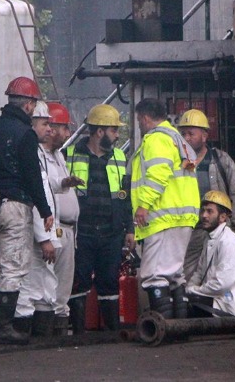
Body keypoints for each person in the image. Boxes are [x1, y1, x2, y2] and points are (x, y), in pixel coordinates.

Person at [0, 76, 54, 345]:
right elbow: (32, 176)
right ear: (28, 105)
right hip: (14, 207)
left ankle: (1, 328)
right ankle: (3, 329)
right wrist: (44, 210)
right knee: (15, 268)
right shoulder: (25, 134)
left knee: (3, 267)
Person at [65, 104, 135, 333]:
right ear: (99, 131)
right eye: (114, 130)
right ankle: (77, 333)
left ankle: (112, 333)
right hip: (81, 232)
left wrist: (129, 229)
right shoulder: (70, 156)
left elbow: (125, 196)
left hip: (110, 232)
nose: (117, 135)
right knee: (79, 281)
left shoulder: (119, 157)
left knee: (109, 282)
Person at [131, 98, 201, 320]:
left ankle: (165, 329)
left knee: (155, 275)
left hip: (163, 217)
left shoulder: (156, 139)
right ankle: (179, 328)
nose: (140, 124)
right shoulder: (178, 140)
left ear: (145, 117)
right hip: (181, 217)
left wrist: (144, 205)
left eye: (139, 119)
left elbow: (158, 174)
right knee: (174, 275)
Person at [177, 108, 235, 281]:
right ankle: (190, 306)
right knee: (186, 277)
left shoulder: (220, 160)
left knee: (219, 276)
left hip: (219, 232)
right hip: (190, 233)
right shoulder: (177, 163)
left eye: (191, 134)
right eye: (183, 134)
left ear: (204, 135)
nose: (186, 138)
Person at [14, 101, 61, 338]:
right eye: (44, 124)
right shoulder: (30, 152)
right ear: (32, 124)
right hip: (38, 236)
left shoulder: (39, 152)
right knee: (32, 285)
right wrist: (44, 239)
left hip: (45, 232)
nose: (49, 130)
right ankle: (27, 338)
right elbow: (34, 196)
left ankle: (40, 337)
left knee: (45, 286)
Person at [44, 102, 82, 335]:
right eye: (64, 127)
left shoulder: (58, 156)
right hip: (52, 228)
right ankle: (50, 329)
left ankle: (59, 324)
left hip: (67, 229)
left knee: (63, 285)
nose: (67, 133)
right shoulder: (40, 156)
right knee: (48, 282)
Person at [186, 190, 235, 317]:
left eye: (210, 211)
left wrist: (193, 291)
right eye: (203, 210)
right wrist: (189, 288)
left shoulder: (229, 242)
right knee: (180, 301)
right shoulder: (210, 238)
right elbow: (199, 272)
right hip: (214, 299)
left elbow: (221, 284)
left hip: (227, 306)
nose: (204, 215)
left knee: (183, 307)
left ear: (223, 217)